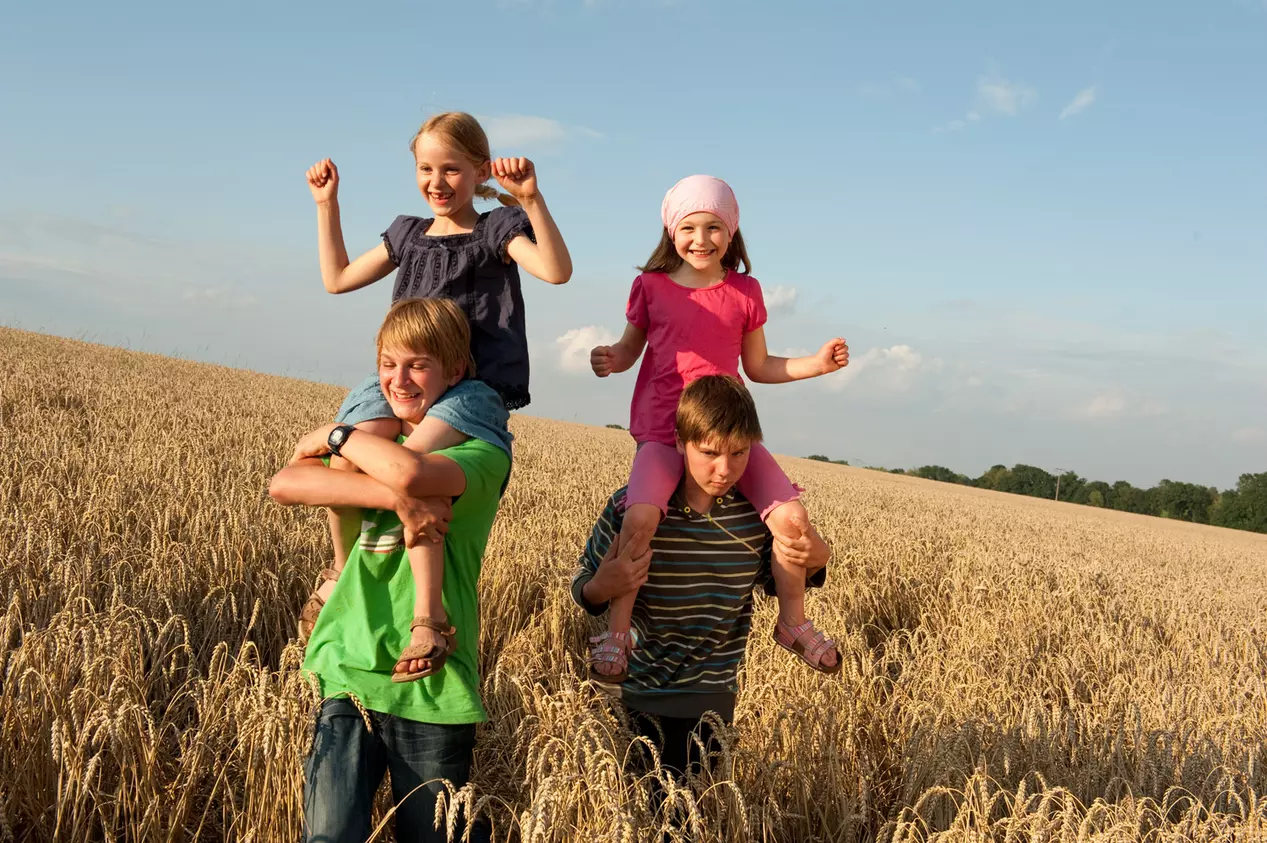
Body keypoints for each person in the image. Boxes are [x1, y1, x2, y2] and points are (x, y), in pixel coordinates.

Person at [299, 111, 572, 683]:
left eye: (452, 169)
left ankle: (429, 615)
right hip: (399, 381)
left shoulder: (498, 230)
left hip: (470, 388)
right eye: (426, 168)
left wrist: (532, 198)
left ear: (478, 171)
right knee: (350, 454)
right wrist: (327, 206)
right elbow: (337, 279)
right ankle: (341, 566)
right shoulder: (406, 235)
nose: (437, 181)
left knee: (411, 472)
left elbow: (555, 270)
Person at [586, 175, 844, 682]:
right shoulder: (651, 287)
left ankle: (792, 622)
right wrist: (611, 359)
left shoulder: (745, 291)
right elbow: (630, 347)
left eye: (713, 228)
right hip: (664, 429)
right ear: (670, 231)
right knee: (640, 518)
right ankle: (618, 630)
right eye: (689, 227)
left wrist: (816, 364)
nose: (701, 239)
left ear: (731, 234)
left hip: (730, 431)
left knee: (791, 518)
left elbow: (761, 365)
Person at [269, 298, 510, 842]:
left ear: (456, 371)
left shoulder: (480, 454)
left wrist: (336, 436)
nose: (398, 381)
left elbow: (409, 473)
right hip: (347, 665)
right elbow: (284, 484)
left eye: (418, 365)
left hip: (431, 682)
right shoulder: (374, 445)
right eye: (387, 364)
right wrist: (400, 499)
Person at [571, 376, 832, 789]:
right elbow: (585, 587)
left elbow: (782, 575)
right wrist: (602, 586)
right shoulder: (634, 507)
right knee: (628, 811)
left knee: (688, 816)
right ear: (679, 442)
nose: (724, 469)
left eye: (739, 453)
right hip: (631, 689)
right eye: (708, 453)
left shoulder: (756, 518)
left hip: (710, 696)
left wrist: (818, 557)